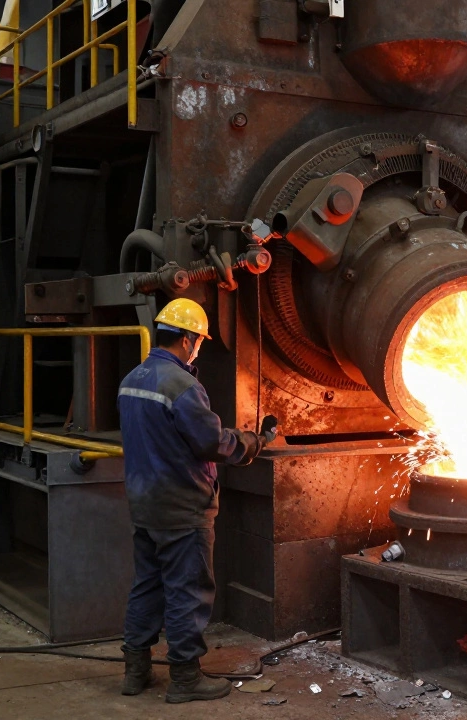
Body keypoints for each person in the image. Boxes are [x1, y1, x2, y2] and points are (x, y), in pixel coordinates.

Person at [117, 298, 276, 703]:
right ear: (188, 340)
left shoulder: (133, 378)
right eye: (199, 341)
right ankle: (185, 679)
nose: (198, 347)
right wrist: (253, 442)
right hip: (182, 508)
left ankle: (135, 672)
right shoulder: (182, 386)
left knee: (147, 587)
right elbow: (212, 442)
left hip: (144, 504)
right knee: (187, 591)